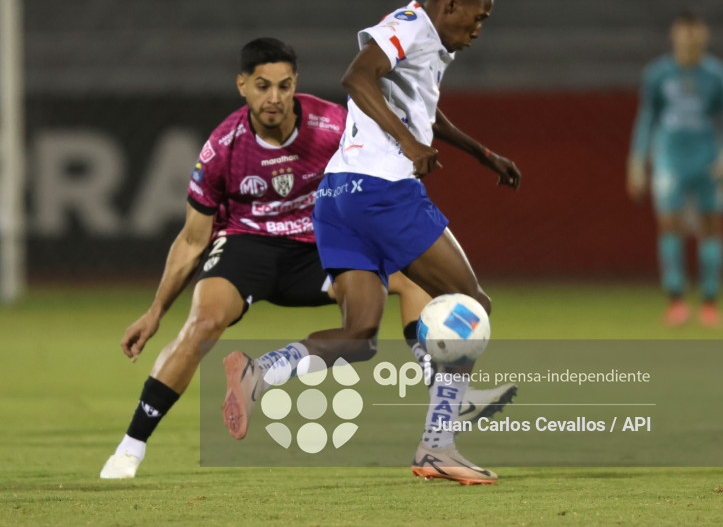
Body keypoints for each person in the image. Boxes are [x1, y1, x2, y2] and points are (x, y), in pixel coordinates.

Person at [100, 37, 514, 480]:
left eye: (283, 85)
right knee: (203, 323)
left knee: (408, 284)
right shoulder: (222, 148)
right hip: (249, 246)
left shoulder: (332, 123)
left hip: (318, 244)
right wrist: (155, 311)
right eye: (262, 86)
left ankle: (447, 390)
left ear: (295, 83)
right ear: (242, 86)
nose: (273, 97)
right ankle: (131, 447)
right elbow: (191, 240)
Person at [223, 0, 521, 485]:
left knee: (359, 335)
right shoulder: (411, 25)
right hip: (381, 191)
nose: (477, 29)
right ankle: (438, 446)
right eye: (475, 18)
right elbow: (356, 76)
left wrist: (482, 153)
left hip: (337, 197)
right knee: (473, 306)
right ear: (449, 3)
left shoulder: (425, 43)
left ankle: (260, 373)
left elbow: (423, 113)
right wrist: (407, 145)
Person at [627, 12, 723, 327]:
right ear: (675, 35)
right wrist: (637, 161)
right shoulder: (658, 74)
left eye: (695, 32)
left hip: (708, 157)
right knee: (670, 224)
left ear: (703, 35)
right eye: (685, 32)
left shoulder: (718, 75)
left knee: (711, 225)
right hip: (669, 158)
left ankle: (709, 301)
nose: (690, 38)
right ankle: (676, 299)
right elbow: (647, 117)